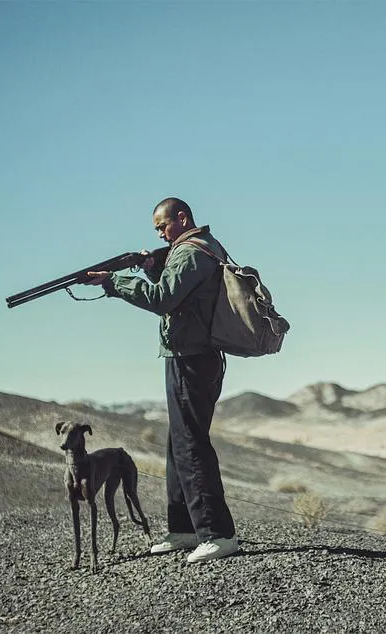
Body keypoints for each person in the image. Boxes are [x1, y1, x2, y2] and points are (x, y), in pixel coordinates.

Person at [83, 196, 239, 563]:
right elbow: (180, 293)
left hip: (191, 357)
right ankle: (185, 528)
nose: (160, 233)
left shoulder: (189, 252)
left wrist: (116, 282)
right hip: (191, 355)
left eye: (163, 226)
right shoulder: (200, 248)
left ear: (182, 218)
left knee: (190, 445)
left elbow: (163, 298)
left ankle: (218, 533)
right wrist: (153, 266)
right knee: (178, 443)